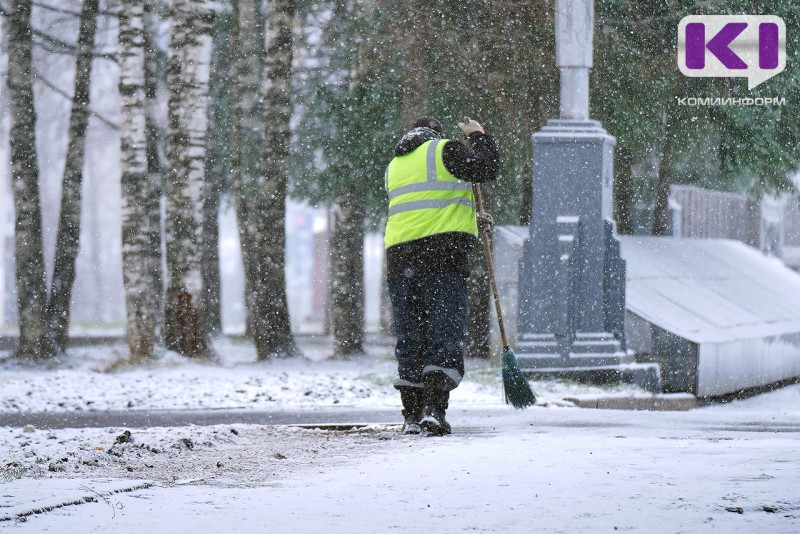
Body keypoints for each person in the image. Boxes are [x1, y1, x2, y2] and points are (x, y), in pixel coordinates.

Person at [383, 116, 500, 435]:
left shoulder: (395, 164)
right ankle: (434, 411)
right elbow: (486, 169)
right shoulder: (443, 150)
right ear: (436, 135)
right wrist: (479, 136)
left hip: (399, 259)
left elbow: (426, 207)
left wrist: (474, 218)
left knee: (411, 337)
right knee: (443, 333)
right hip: (440, 256)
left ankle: (411, 414)